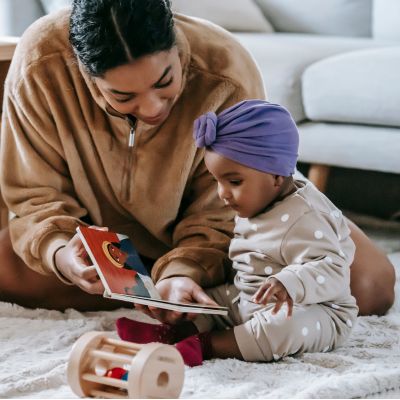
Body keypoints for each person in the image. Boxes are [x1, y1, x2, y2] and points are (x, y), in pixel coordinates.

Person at [0, 0, 394, 318]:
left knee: (369, 285)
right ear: (85, 72)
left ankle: (192, 288)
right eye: (123, 97)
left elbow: (232, 206)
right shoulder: (41, 63)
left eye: (164, 82)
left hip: (227, 238)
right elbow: (34, 194)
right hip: (101, 234)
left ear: (176, 41)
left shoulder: (225, 68)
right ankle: (194, 297)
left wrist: (184, 269)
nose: (152, 108)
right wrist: (61, 253)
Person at [116, 100, 359, 366]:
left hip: (316, 310)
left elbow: (334, 269)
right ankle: (175, 332)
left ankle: (206, 346)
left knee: (280, 330)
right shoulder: (258, 200)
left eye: (233, 182)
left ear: (276, 176)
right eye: (217, 181)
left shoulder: (307, 216)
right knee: (209, 301)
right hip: (250, 296)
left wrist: (290, 282)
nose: (222, 193)